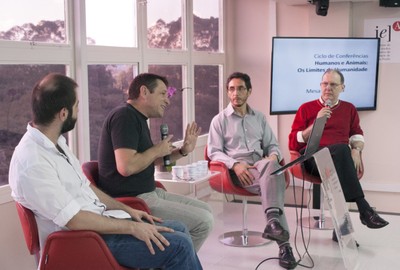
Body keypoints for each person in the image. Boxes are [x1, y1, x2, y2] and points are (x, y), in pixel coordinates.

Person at [9, 73, 202, 270]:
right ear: (64, 114)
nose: (79, 110)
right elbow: (74, 220)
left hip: (100, 223)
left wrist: (128, 210)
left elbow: (87, 187)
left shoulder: (56, 143)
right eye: (76, 106)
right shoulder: (33, 161)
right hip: (83, 240)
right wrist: (133, 227)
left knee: (180, 229)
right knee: (180, 246)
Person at [97, 73, 214, 252]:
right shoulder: (124, 117)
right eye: (162, 94)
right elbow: (126, 167)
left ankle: (176, 259)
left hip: (150, 192)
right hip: (134, 200)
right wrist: (156, 149)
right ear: (144, 91)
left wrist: (183, 150)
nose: (167, 101)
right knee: (203, 221)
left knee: (206, 210)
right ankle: (177, 261)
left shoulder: (138, 118)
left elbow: (148, 159)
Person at [207, 72, 297, 269]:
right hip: (238, 174)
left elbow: (273, 146)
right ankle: (284, 245)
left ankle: (273, 223)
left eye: (240, 89)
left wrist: (272, 157)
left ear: (249, 91)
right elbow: (214, 153)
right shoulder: (219, 120)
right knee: (274, 179)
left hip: (261, 168)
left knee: (271, 167)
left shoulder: (259, 118)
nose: (235, 94)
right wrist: (235, 165)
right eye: (231, 89)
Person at [289, 68, 389, 241]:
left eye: (333, 84)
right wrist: (316, 123)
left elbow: (357, 134)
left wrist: (356, 150)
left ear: (342, 87)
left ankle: (341, 230)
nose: (328, 88)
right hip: (312, 158)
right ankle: (364, 208)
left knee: (341, 156)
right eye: (325, 83)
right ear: (320, 86)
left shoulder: (349, 109)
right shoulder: (306, 108)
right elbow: (293, 142)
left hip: (337, 160)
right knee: (343, 150)